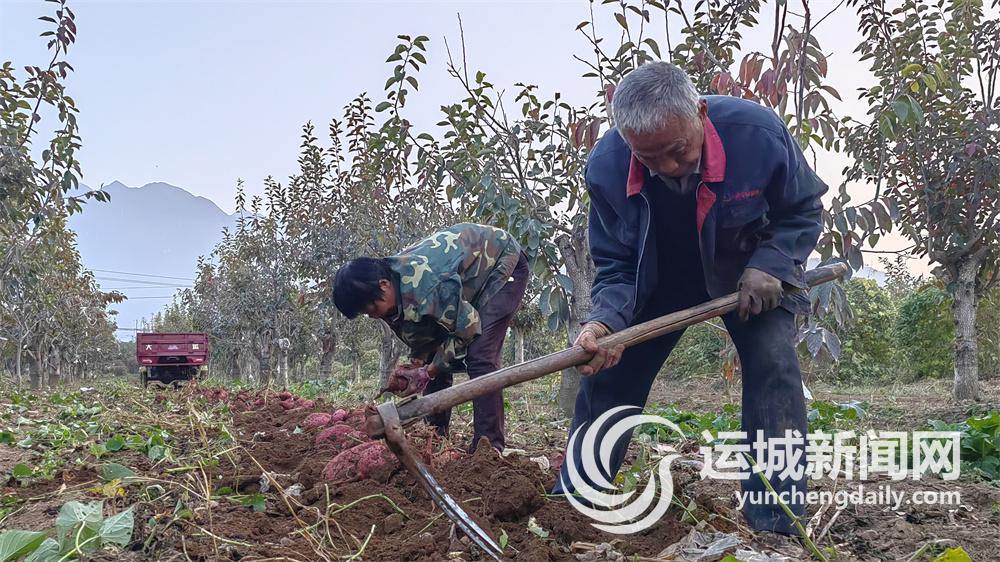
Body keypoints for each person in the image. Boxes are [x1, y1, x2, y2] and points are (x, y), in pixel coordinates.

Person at [556, 62, 827, 535]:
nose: (665, 167)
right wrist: (605, 321)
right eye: (648, 157)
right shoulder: (606, 167)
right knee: (609, 375)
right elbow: (617, 263)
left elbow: (802, 209)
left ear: (700, 112)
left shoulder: (757, 135)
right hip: (656, 280)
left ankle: (775, 521)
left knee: (773, 369)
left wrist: (773, 263)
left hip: (749, 274)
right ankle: (573, 503)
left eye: (677, 151)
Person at [333, 223, 529, 452]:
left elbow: (468, 327)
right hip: (462, 284)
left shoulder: (427, 285)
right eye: (367, 314)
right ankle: (436, 438)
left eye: (373, 309)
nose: (374, 316)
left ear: (384, 286)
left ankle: (488, 449)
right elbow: (424, 334)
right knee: (433, 361)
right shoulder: (393, 286)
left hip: (502, 261)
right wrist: (418, 364)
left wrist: (429, 372)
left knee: (480, 355)